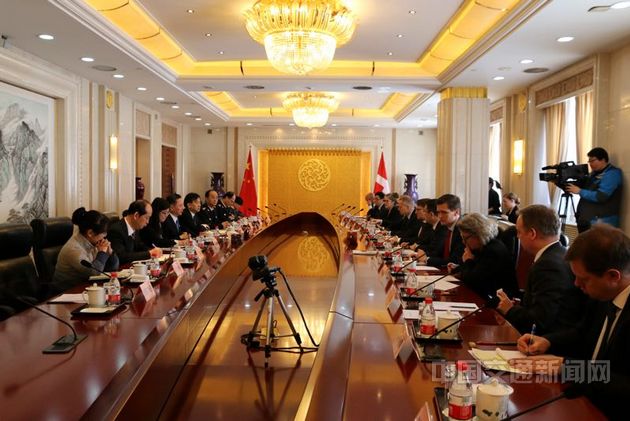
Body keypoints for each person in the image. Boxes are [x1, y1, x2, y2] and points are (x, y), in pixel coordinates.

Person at [511, 224, 630, 420]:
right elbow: (582, 332)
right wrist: (547, 341)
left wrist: (567, 367)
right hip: (585, 401)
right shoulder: (604, 294)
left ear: (613, 276)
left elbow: (624, 383)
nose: (576, 284)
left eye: (584, 279)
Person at [496, 205, 584, 335]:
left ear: (532, 233)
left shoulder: (547, 265)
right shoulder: (560, 253)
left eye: (519, 232)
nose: (518, 237)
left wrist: (510, 310)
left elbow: (539, 320)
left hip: (547, 341)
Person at [52, 208, 119, 292]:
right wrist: (102, 253)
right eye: (103, 233)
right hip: (67, 292)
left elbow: (113, 269)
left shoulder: (92, 241)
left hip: (87, 287)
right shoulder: (74, 249)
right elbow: (94, 273)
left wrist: (110, 253)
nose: (104, 237)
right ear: (90, 233)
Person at [454, 213, 518, 298]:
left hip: (499, 300)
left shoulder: (492, 252)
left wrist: (468, 261)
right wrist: (457, 268)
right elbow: (473, 271)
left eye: (465, 238)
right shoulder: (482, 247)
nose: (463, 242)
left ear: (478, 235)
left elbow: (473, 282)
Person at [565, 147, 623, 232]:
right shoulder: (594, 173)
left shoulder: (612, 174)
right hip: (587, 220)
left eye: (592, 161)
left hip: (603, 222)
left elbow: (601, 196)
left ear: (603, 160)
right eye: (589, 161)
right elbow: (587, 187)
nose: (590, 164)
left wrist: (580, 191)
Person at [108, 200, 162, 264]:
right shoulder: (116, 231)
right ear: (136, 215)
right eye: (146, 218)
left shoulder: (135, 226)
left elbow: (139, 246)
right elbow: (121, 257)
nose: (148, 222)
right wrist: (149, 253)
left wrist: (152, 250)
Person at [419, 194, 464, 268]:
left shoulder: (462, 229)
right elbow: (439, 252)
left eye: (444, 212)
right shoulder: (447, 226)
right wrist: (422, 256)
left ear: (456, 212)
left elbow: (454, 260)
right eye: (438, 212)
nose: (440, 216)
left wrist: (427, 259)